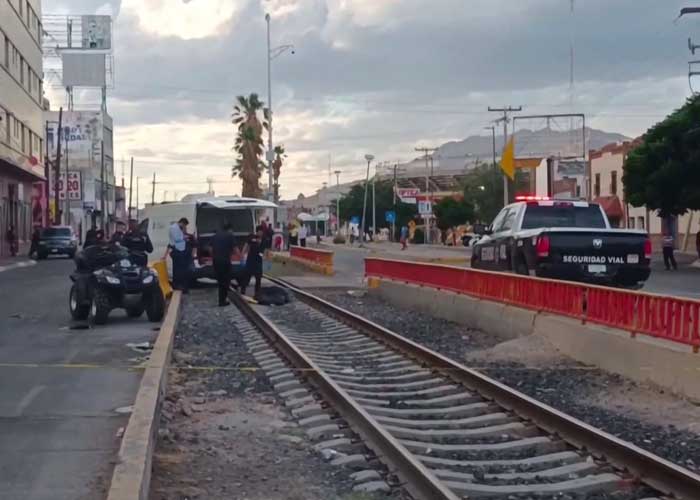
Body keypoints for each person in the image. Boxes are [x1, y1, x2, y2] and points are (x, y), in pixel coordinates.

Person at [211, 222, 235, 306]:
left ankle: (221, 300)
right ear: (230, 229)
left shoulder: (215, 236)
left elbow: (210, 249)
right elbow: (234, 249)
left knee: (220, 281)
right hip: (225, 261)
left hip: (216, 261)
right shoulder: (230, 236)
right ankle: (222, 300)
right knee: (226, 281)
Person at [241, 227, 264, 298]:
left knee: (258, 278)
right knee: (247, 277)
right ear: (257, 232)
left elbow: (266, 249)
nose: (261, 233)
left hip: (259, 261)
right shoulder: (251, 238)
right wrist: (242, 255)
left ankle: (257, 293)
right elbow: (246, 246)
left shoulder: (264, 239)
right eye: (259, 232)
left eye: (262, 232)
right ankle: (243, 290)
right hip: (250, 260)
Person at [169, 217, 190, 293]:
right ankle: (177, 285)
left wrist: (184, 233)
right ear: (182, 222)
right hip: (176, 250)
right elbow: (177, 238)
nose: (185, 227)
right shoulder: (174, 228)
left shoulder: (178, 228)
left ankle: (180, 286)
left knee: (181, 269)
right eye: (184, 225)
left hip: (180, 250)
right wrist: (184, 237)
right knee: (177, 269)